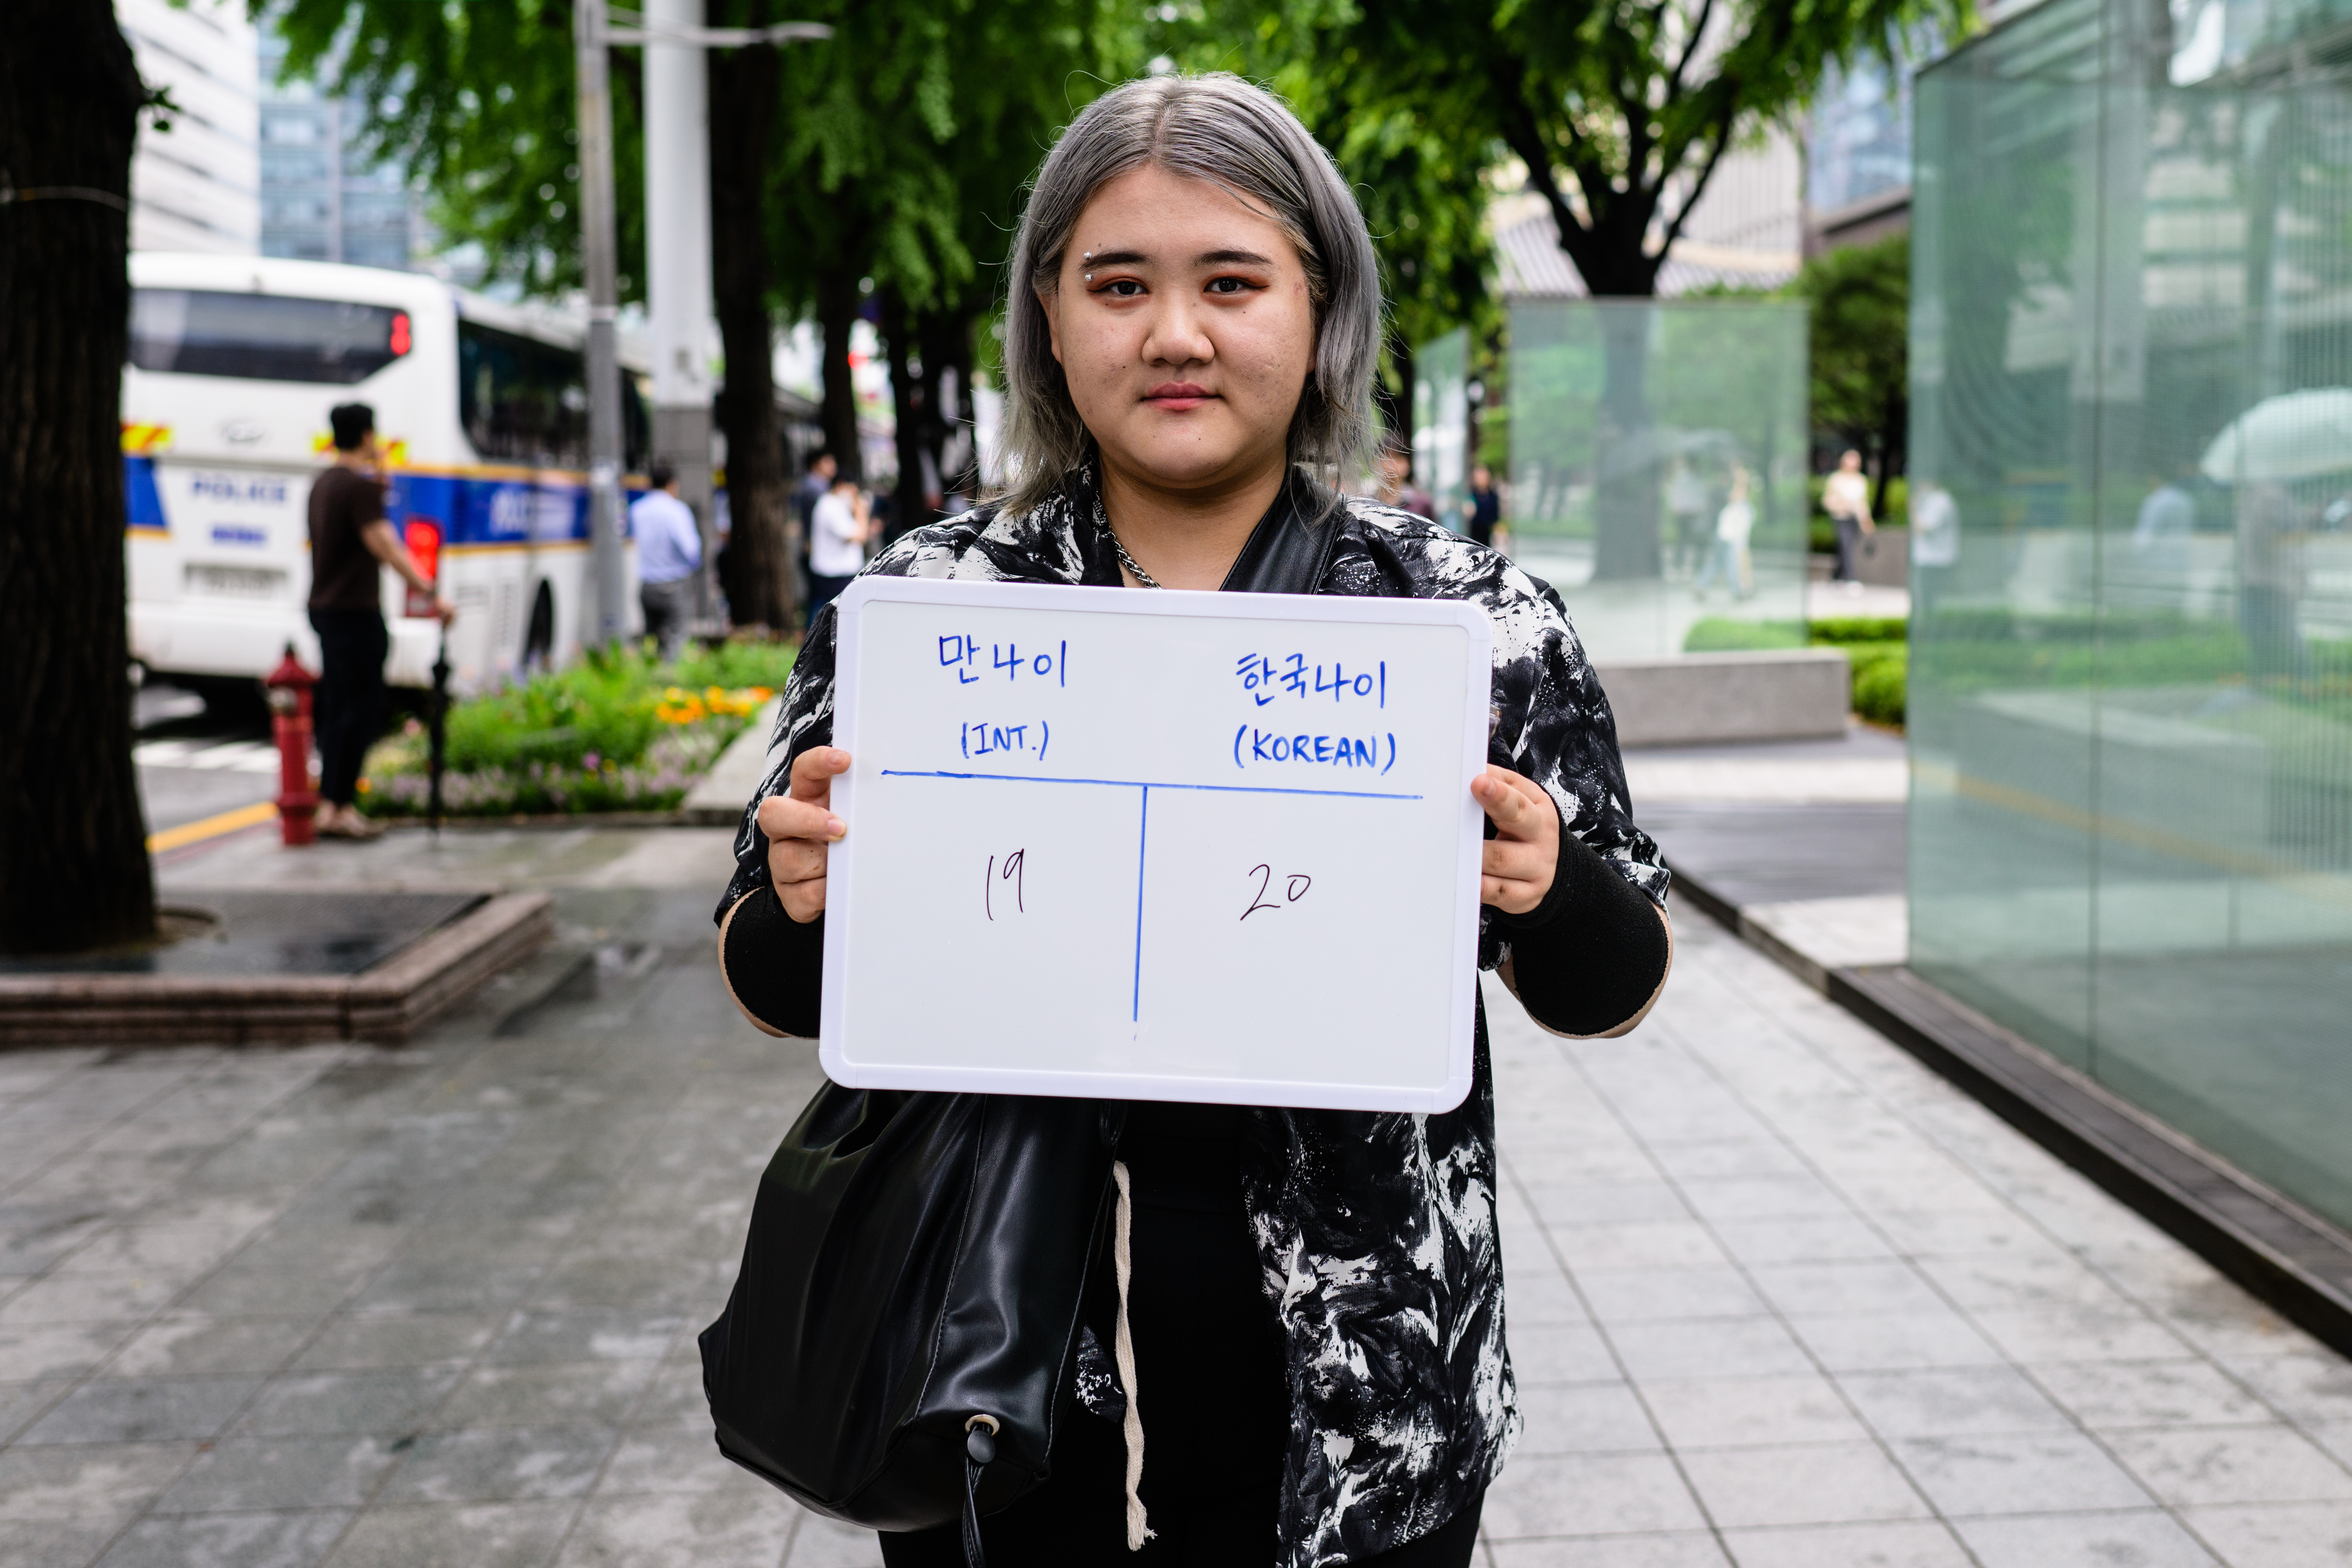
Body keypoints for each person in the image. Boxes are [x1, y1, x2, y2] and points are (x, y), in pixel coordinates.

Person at [714, 73, 1671, 1568]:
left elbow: (1613, 985)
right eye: (1118, 283)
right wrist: (799, 895)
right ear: (1046, 315)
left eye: (1232, 280)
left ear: (1322, 307)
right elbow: (773, 980)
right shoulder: (928, 609)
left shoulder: (1464, 620)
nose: (1174, 331)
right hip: (984, 1375)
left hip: (1367, 1406)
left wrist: (1549, 884)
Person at [306, 401, 452, 841]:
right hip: (355, 612)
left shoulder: (325, 484)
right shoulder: (357, 490)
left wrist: (379, 474)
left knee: (337, 708)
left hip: (324, 607)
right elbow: (386, 546)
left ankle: (329, 805)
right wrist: (430, 592)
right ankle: (341, 805)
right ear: (368, 436)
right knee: (361, 709)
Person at [630, 461, 702, 661]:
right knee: (676, 643)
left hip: (647, 587)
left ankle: (649, 683)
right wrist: (694, 566)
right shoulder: (677, 511)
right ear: (672, 484)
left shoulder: (637, 510)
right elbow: (691, 550)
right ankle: (669, 685)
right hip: (674, 586)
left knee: (652, 643)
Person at [805, 473, 871, 618]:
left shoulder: (832, 504)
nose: (855, 495)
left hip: (835, 571)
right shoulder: (831, 507)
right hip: (835, 573)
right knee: (834, 616)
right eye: (853, 490)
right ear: (841, 485)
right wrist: (862, 512)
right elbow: (858, 537)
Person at [1693, 464, 1754, 599]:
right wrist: (1741, 479)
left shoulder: (1718, 490)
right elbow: (1737, 496)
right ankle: (1737, 591)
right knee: (1730, 562)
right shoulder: (1724, 492)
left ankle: (1701, 585)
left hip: (1720, 533)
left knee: (1717, 562)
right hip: (1725, 535)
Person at [1823, 448, 1875, 589]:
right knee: (1846, 545)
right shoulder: (1836, 479)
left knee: (1846, 547)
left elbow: (1863, 503)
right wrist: (1841, 504)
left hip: (1855, 518)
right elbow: (1827, 501)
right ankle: (1852, 579)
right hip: (1841, 516)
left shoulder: (1861, 480)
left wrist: (1867, 520)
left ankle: (1836, 577)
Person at [1460, 464, 1500, 548]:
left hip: (1487, 534)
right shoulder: (1472, 495)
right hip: (1473, 533)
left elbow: (1496, 518)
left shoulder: (1493, 496)